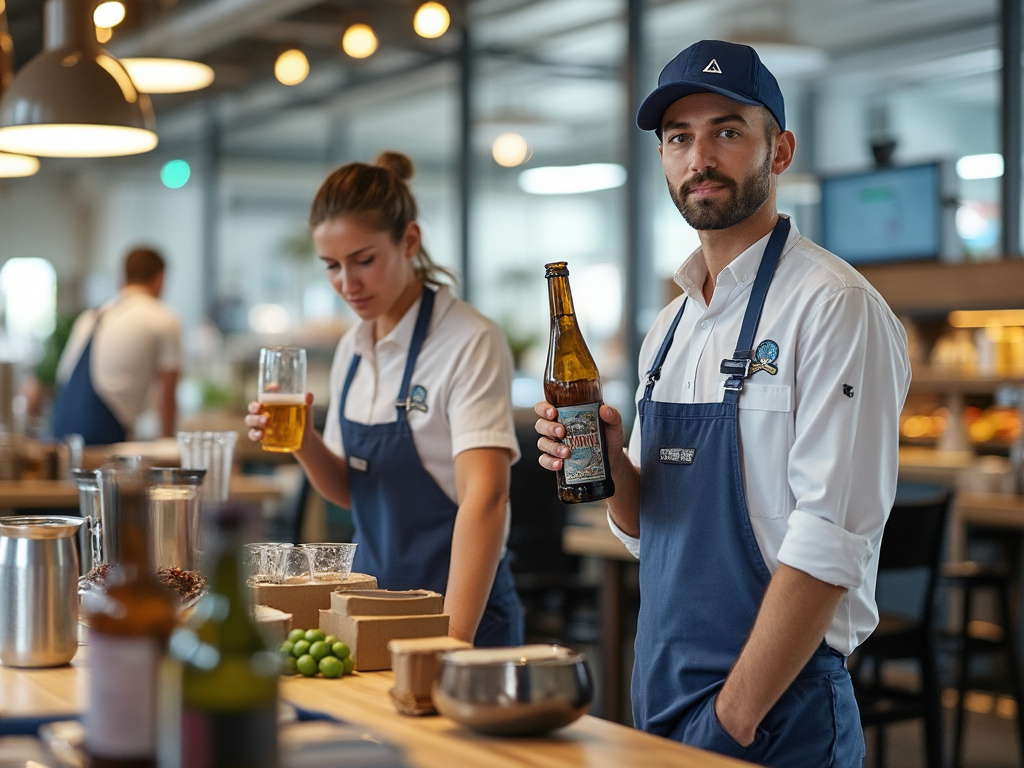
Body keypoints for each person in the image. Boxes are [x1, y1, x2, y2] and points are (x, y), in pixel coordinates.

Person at [534, 40, 911, 765]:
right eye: (679, 137)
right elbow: (648, 528)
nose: (699, 157)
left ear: (780, 150)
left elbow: (830, 540)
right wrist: (612, 463)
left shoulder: (833, 308)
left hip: (776, 711)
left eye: (726, 131)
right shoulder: (671, 327)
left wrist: (733, 719)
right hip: (664, 690)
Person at [245, 151, 524, 647]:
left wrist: (450, 641)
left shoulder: (468, 340)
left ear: (409, 241)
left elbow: (487, 498)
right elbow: (353, 492)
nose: (347, 284)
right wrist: (303, 439)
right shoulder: (354, 346)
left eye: (364, 261)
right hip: (366, 611)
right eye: (331, 266)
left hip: (457, 612)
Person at [52, 246, 182, 445]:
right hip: (104, 441)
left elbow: (62, 377)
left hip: (60, 434)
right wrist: (168, 448)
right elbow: (167, 395)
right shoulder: (163, 318)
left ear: (123, 279)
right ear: (159, 279)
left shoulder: (91, 316)